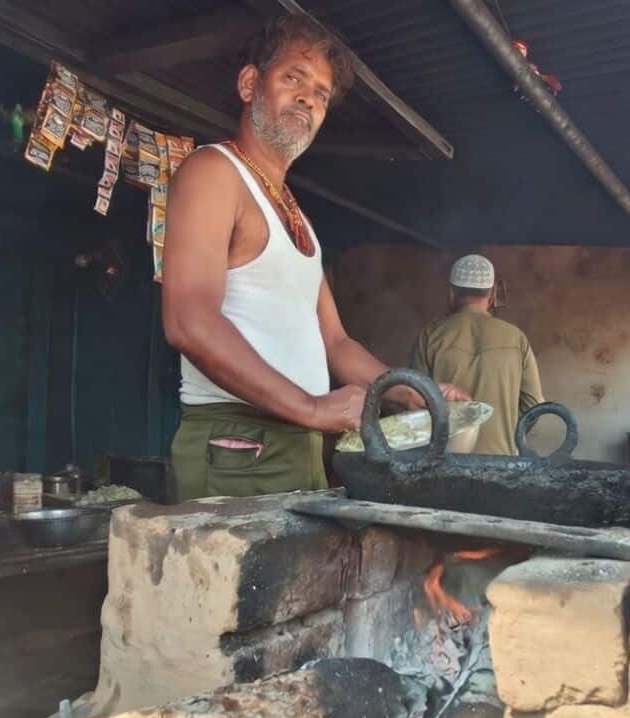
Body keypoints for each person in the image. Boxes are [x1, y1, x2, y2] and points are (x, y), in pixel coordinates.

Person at [160, 15, 466, 502]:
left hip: (298, 442)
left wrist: (413, 392)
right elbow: (188, 320)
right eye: (293, 78)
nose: (308, 98)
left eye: (321, 94)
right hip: (238, 442)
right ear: (249, 84)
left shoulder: (295, 215)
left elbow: (336, 343)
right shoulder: (213, 171)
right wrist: (313, 407)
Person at [409, 254, 543, 455]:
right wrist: (506, 432)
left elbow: (413, 399)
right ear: (492, 295)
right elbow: (534, 405)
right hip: (501, 462)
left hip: (444, 463)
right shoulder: (516, 338)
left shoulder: (431, 335)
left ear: (451, 294)